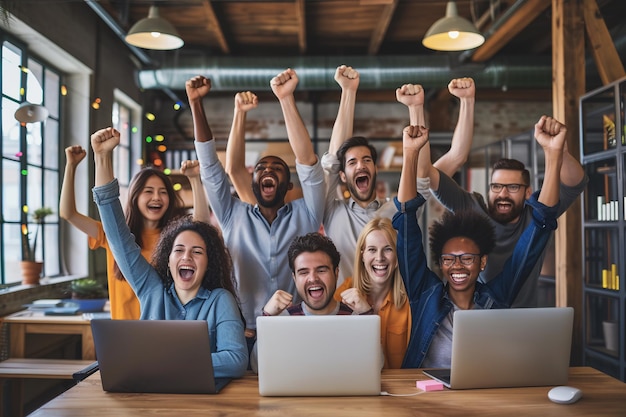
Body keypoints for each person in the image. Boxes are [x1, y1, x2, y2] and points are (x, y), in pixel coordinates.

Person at [394, 117, 562, 369]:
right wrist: (410, 153)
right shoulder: (425, 294)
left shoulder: (498, 297)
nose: (457, 266)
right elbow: (406, 220)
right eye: (449, 259)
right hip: (424, 398)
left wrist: (553, 153)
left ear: (483, 261)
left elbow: (540, 225)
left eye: (467, 257)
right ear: (441, 263)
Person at [90, 127, 248, 378]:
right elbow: (118, 239)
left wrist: (163, 360)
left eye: (197, 252)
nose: (186, 257)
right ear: (168, 259)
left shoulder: (220, 300)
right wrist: (102, 158)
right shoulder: (152, 289)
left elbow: (236, 359)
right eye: (179, 250)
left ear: (209, 262)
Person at [188, 69, 326, 352]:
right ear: (251, 183)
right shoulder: (231, 214)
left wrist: (286, 99)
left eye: (278, 169)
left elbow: (309, 164)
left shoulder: (308, 214)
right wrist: (195, 104)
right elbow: (212, 170)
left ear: (288, 186)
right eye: (262, 168)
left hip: (295, 329)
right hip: (241, 333)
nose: (269, 171)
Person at [322, 66, 476, 284]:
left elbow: (429, 171)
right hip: (347, 312)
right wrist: (348, 92)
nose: (361, 165)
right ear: (343, 176)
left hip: (390, 311)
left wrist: (416, 109)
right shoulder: (332, 210)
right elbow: (333, 162)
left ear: (375, 169)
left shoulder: (395, 210)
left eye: (367, 160)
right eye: (353, 163)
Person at [421, 115, 588, 307]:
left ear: (527, 193)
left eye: (513, 187)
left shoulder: (537, 216)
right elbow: (432, 178)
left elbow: (575, 183)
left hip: (524, 319)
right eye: (496, 186)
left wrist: (560, 152)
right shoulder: (473, 208)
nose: (503, 194)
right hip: (478, 316)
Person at [60, 145, 210, 320]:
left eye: (163, 192)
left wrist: (194, 180)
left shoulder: (176, 240)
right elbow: (68, 213)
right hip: (123, 333)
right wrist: (71, 166)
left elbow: (201, 227)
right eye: (148, 192)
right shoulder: (113, 235)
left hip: (160, 332)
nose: (156, 197)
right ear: (135, 197)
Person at [333, 217, 409, 369]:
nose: (379, 258)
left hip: (400, 388)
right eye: (372, 250)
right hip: (355, 386)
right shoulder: (342, 295)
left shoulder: (409, 301)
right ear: (362, 255)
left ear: (397, 256)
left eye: (388, 249)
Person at [262, 232, 354, 316]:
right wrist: (266, 317)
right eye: (304, 272)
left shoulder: (354, 316)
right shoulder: (282, 319)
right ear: (295, 278)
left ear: (336, 273)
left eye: (321, 270)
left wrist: (367, 314)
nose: (313, 278)